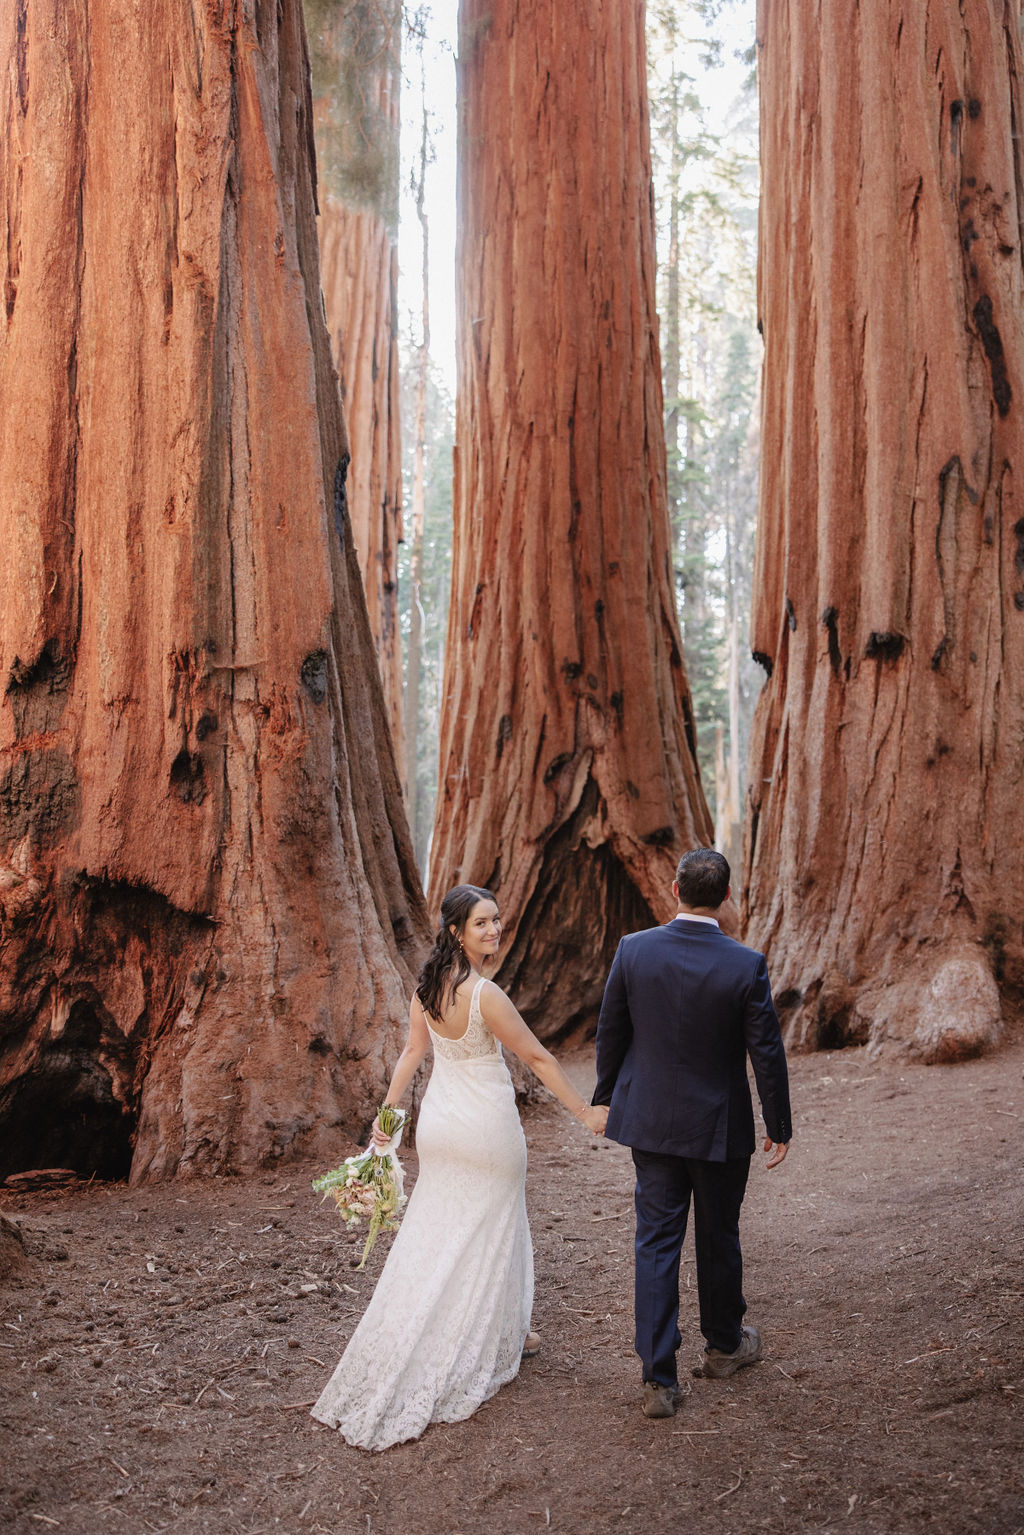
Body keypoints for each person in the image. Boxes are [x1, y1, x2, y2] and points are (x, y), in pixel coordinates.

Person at [312, 883, 608, 1451]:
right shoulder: (484, 994)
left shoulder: (426, 989)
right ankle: (490, 1337)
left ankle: (508, 1330)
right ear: (456, 932)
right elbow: (537, 1056)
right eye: (481, 924)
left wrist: (389, 1119)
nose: (493, 931)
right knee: (495, 1229)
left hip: (441, 1129)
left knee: (441, 1230)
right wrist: (585, 1113)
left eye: (496, 921)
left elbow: (411, 1054)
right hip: (485, 1131)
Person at [593, 847, 792, 1420]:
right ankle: (726, 1347)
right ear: (727, 897)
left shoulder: (635, 951)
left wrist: (606, 1097)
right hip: (718, 1127)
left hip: (651, 1125)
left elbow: (611, 1031)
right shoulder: (745, 963)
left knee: (655, 1241)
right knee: (718, 1234)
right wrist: (778, 1124)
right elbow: (766, 1051)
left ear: (674, 888)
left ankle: (659, 1380)